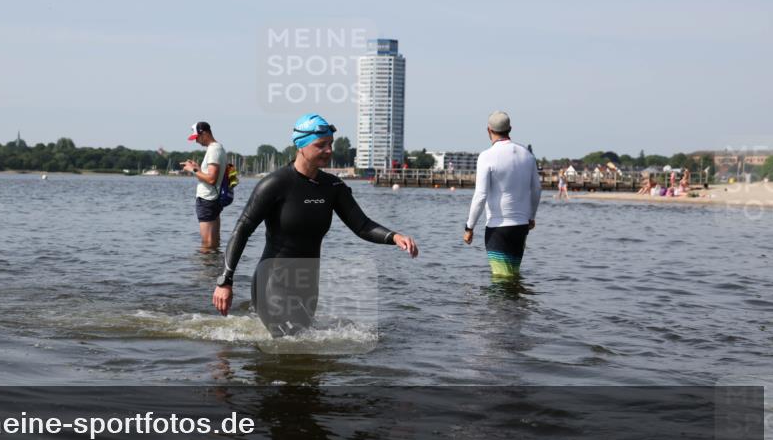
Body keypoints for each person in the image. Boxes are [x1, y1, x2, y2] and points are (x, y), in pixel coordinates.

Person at [212, 114, 418, 336]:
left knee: (304, 352)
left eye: (331, 144)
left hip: (307, 286)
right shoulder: (275, 184)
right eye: (321, 145)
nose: (329, 150)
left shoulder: (333, 187)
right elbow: (242, 230)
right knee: (291, 347)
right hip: (272, 283)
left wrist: (394, 237)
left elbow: (362, 225)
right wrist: (225, 280)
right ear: (300, 146)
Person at [463, 112, 540, 278]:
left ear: (488, 130)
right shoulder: (527, 155)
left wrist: (469, 227)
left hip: (497, 227)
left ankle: (503, 305)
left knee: (500, 279)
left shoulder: (486, 156)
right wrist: (531, 217)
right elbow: (536, 189)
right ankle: (519, 304)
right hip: (521, 226)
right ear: (510, 129)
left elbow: (480, 195)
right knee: (513, 275)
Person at [180, 121, 226, 251]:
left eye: (197, 138)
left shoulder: (213, 150)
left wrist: (192, 170)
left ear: (204, 133)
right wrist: (197, 168)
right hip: (213, 199)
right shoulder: (218, 148)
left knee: (207, 242)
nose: (196, 141)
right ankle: (214, 268)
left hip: (207, 200)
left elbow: (211, 179)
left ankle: (205, 270)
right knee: (214, 241)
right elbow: (212, 176)